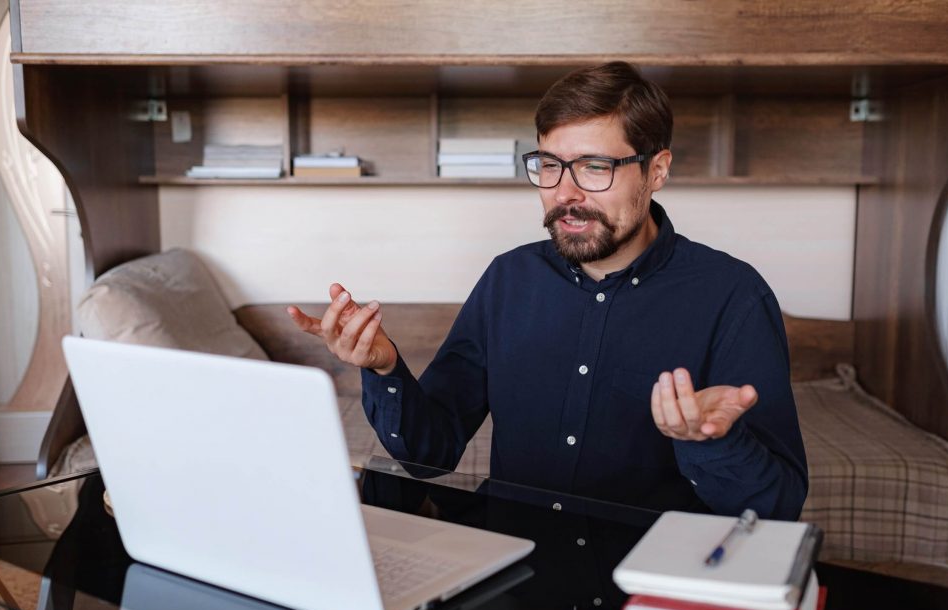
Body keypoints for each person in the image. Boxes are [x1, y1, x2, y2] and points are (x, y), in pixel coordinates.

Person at [289, 62, 807, 520]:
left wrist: (712, 443)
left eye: (595, 167)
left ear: (657, 171)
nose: (565, 193)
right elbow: (431, 455)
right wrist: (385, 370)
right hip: (517, 568)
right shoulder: (508, 280)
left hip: (643, 583)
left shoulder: (734, 297)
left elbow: (777, 506)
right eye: (550, 166)